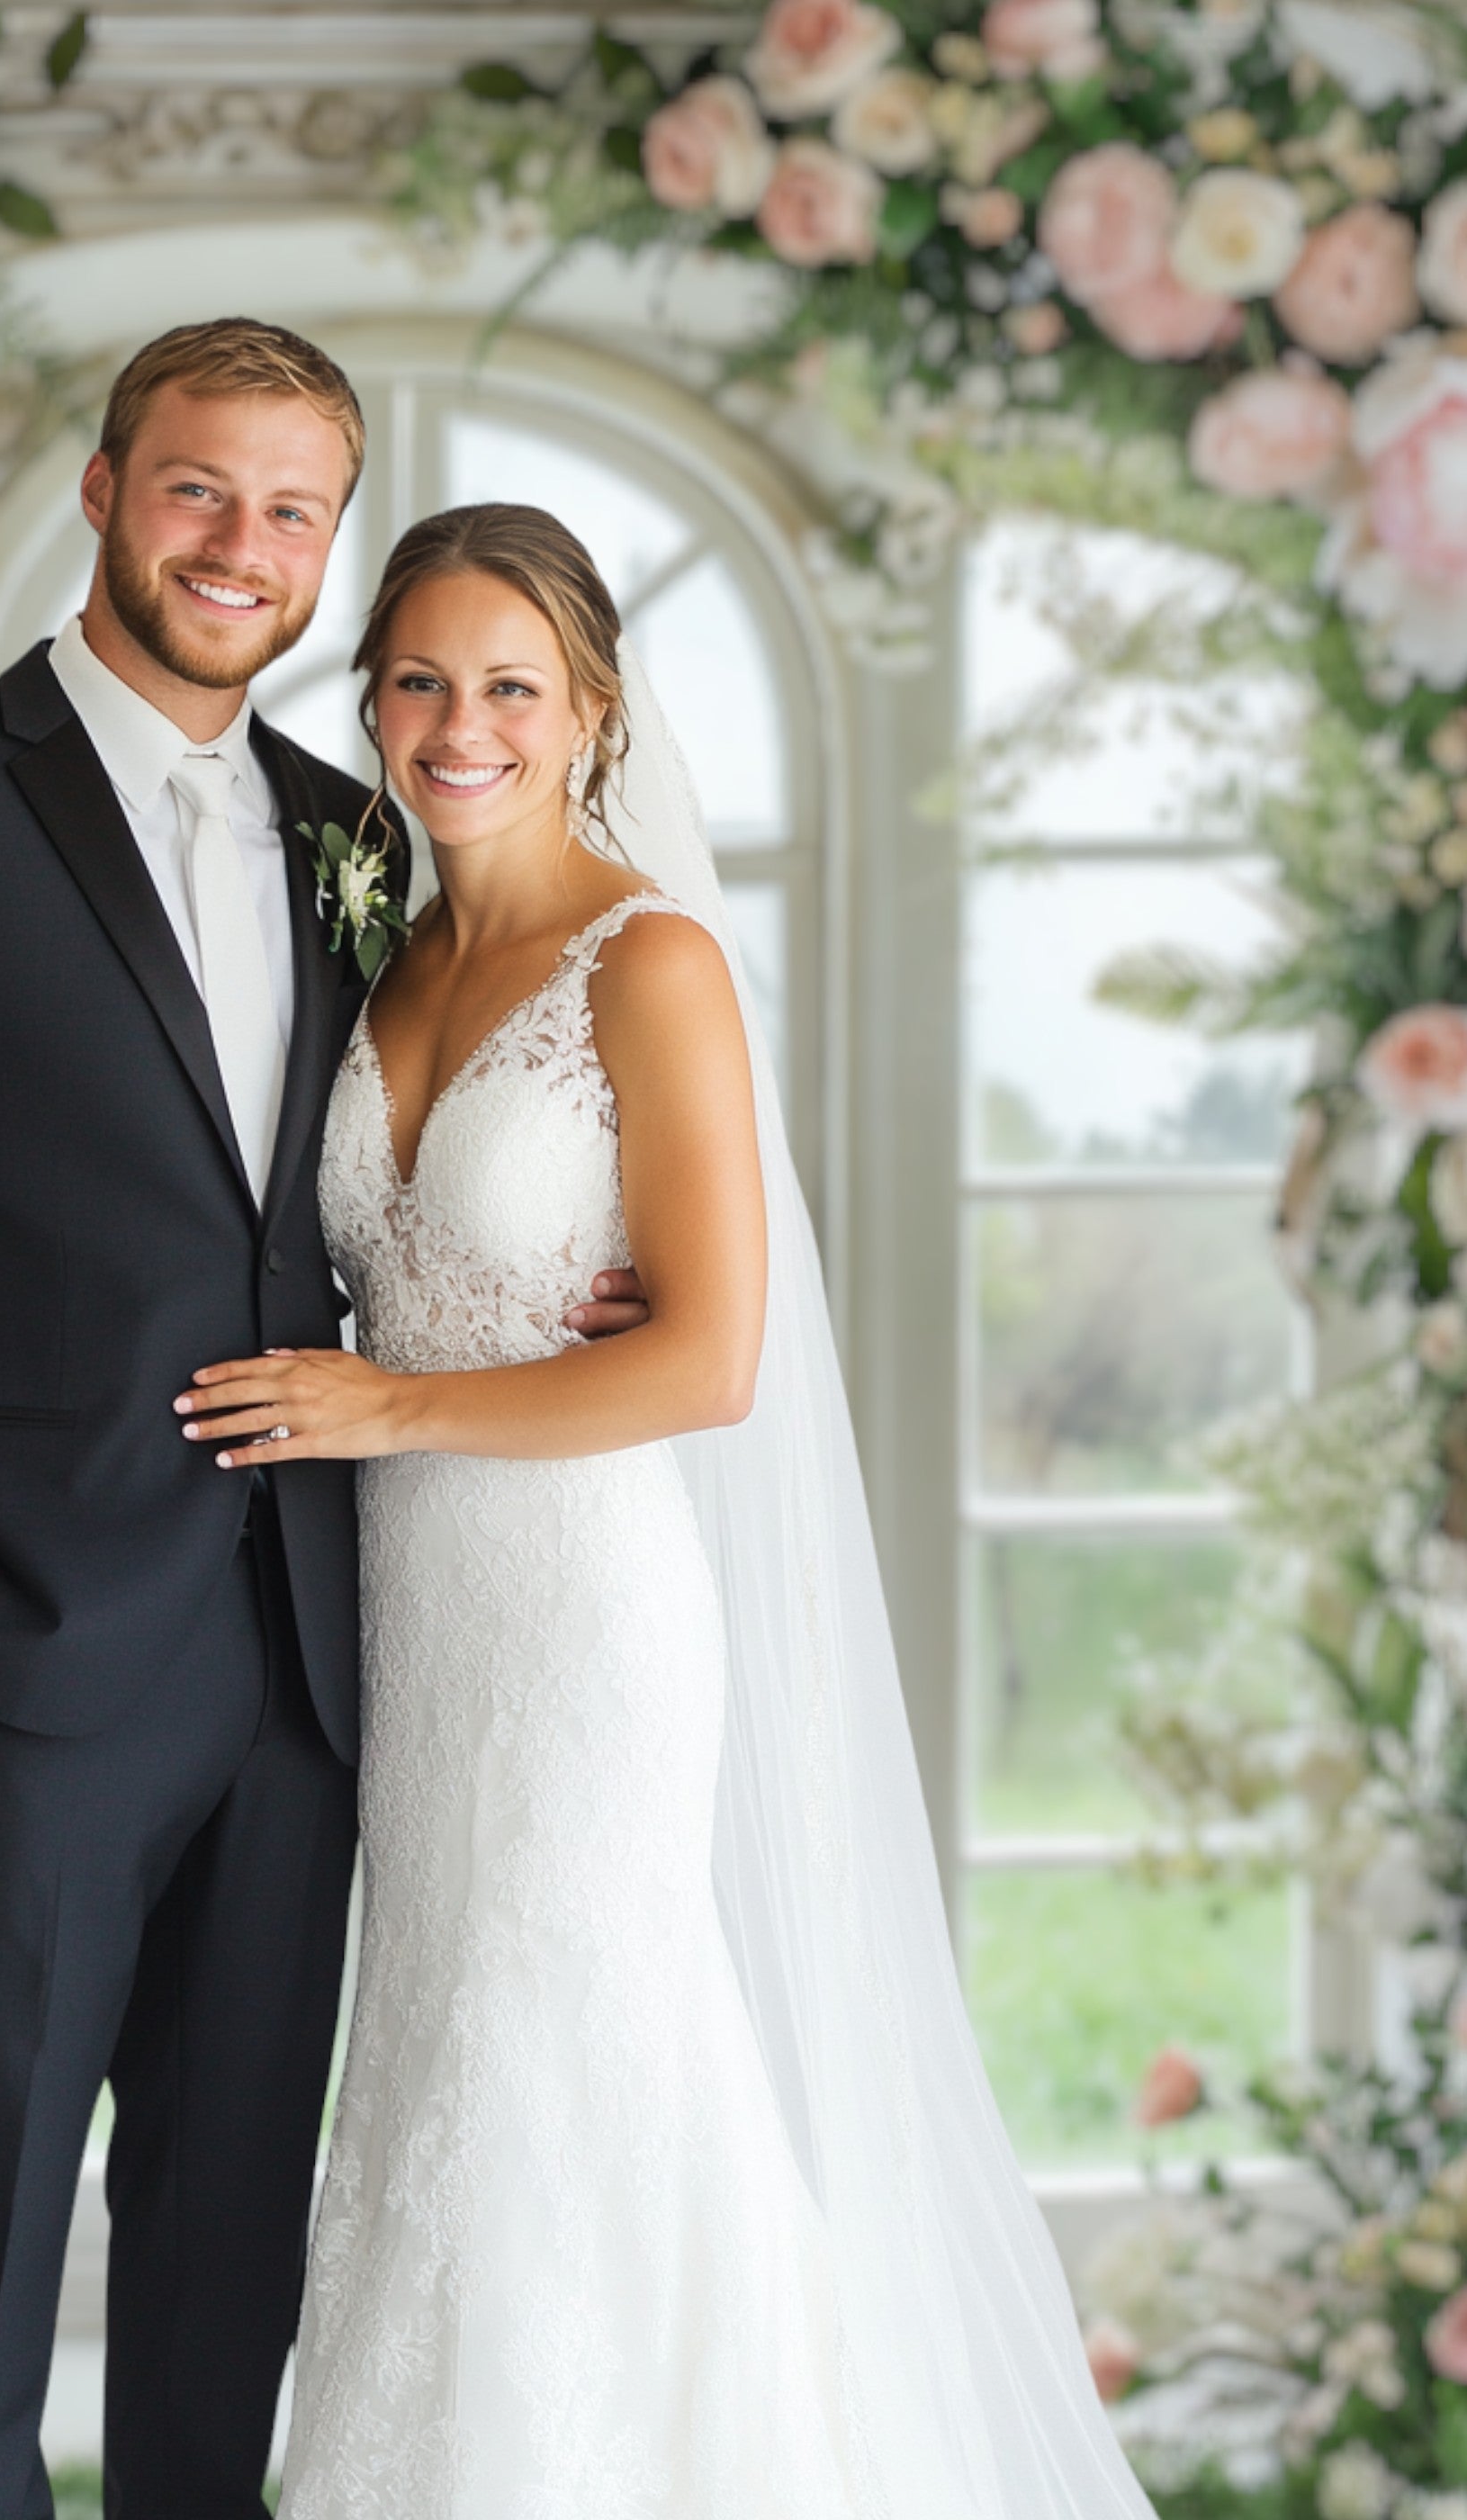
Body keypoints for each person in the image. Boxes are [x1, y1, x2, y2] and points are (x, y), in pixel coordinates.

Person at [0, 325, 639, 2520]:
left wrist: (569, 1296)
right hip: (7, 1661)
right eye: (200, 490)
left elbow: (380, 1195)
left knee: (224, 2294)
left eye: (293, 510)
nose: (243, 546)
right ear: (105, 489)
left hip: (307, 1668)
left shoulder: (347, 835)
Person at [178, 506, 1166, 2519]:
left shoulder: (653, 960)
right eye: (420, 680)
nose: (459, 726)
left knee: (567, 2053)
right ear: (370, 697)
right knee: (443, 2059)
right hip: (412, 1618)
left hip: (578, 1611)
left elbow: (709, 1358)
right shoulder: (378, 955)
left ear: (592, 711)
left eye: (509, 686)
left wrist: (397, 1398)